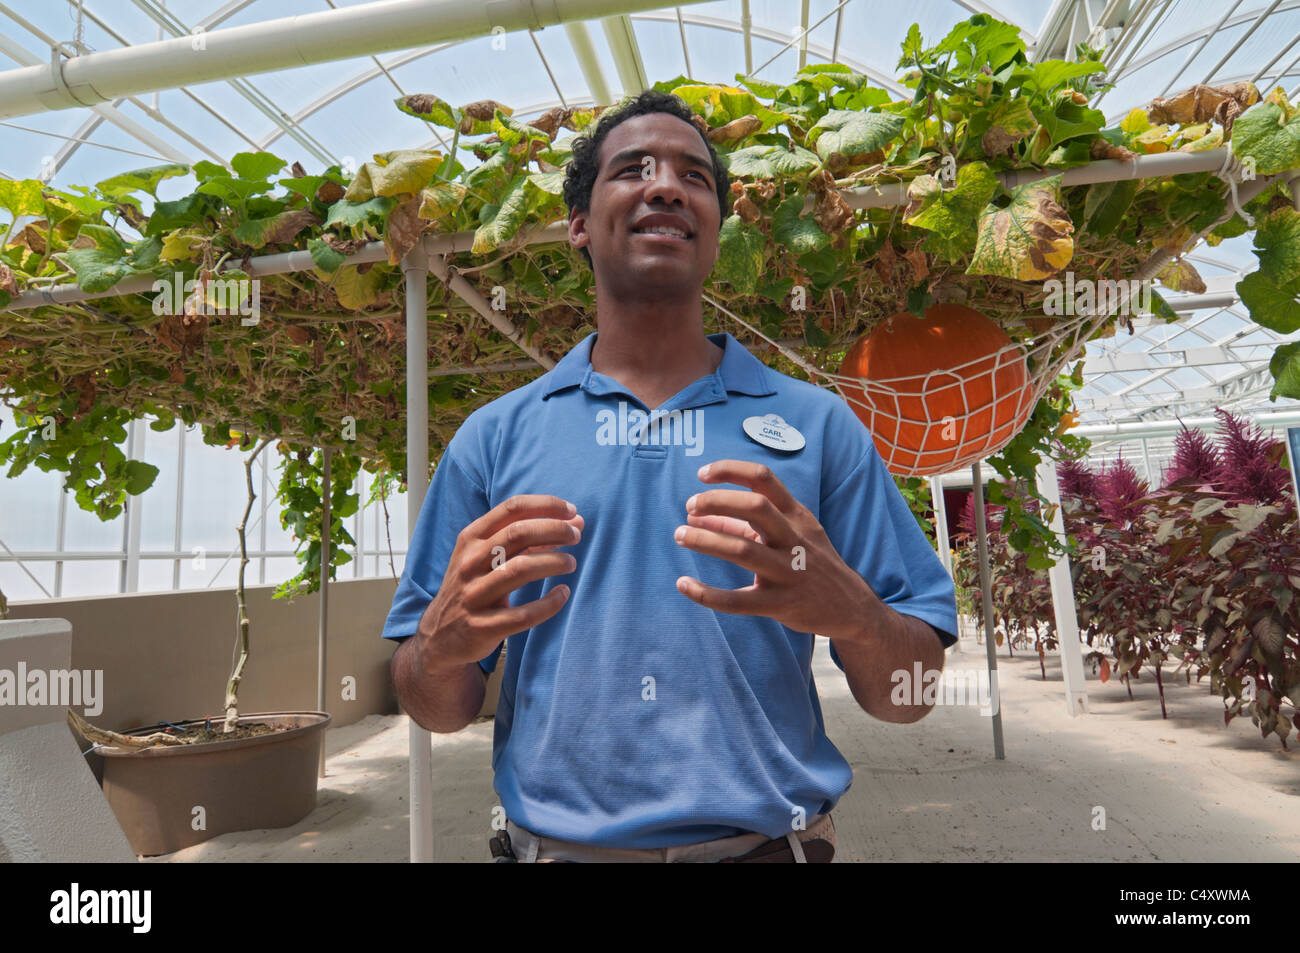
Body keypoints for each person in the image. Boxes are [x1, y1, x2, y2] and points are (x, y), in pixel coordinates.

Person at [382, 89, 958, 863]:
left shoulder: (821, 427)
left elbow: (907, 700)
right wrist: (435, 647)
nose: (666, 186)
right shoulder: (494, 437)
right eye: (633, 169)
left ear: (715, 230)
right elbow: (435, 707)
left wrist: (859, 617)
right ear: (579, 223)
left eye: (695, 176)